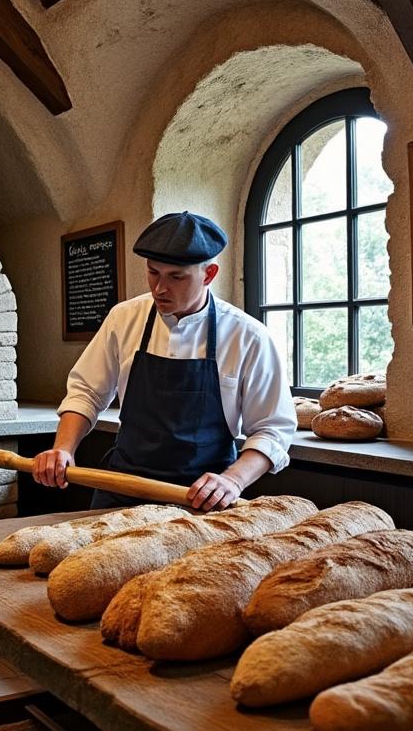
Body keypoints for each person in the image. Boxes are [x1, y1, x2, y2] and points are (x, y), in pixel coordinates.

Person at [33, 212, 296, 511]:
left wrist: (232, 481)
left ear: (209, 274)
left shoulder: (248, 336)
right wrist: (63, 448)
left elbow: (272, 429)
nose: (159, 288)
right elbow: (86, 392)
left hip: (201, 499)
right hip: (122, 490)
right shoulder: (124, 318)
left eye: (176, 277)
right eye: (153, 272)